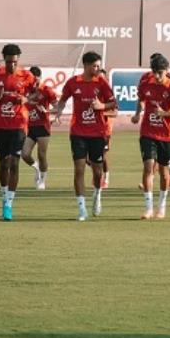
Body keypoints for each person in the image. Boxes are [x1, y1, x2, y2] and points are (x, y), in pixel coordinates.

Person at [55, 51, 117, 221]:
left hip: (98, 133)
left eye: (99, 66)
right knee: (79, 169)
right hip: (78, 133)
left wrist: (101, 105)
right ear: (86, 65)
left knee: (98, 172)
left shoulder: (102, 83)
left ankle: (97, 195)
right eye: (95, 66)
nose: (97, 69)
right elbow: (63, 100)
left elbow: (114, 103)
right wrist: (58, 111)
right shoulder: (73, 83)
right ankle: (82, 209)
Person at [0, 44, 37, 221]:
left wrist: (26, 98)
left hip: (19, 126)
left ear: (18, 60)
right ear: (4, 59)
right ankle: (4, 196)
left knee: (14, 162)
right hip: (0, 126)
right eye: (8, 61)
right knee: (4, 163)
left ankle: (9, 204)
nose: (12, 65)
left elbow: (37, 94)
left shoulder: (26, 76)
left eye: (15, 62)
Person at [132, 53, 170, 219]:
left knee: (164, 172)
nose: (157, 76)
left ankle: (161, 206)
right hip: (148, 132)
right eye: (154, 72)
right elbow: (141, 99)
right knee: (148, 167)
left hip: (166, 135)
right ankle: (148, 208)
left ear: (166, 71)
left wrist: (166, 113)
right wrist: (137, 114)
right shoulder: (146, 84)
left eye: (160, 73)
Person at [22, 66, 59, 190]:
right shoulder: (26, 90)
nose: (34, 83)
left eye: (36, 80)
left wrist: (47, 110)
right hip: (30, 126)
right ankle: (36, 168)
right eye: (32, 80)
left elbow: (58, 108)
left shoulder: (47, 90)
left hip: (43, 127)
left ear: (40, 78)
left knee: (41, 154)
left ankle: (42, 180)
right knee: (25, 154)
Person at [99, 68, 116, 189]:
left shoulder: (109, 94)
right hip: (91, 129)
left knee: (103, 155)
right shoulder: (92, 92)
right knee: (88, 158)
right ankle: (99, 172)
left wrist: (101, 113)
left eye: (102, 78)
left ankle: (106, 177)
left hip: (105, 130)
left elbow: (114, 113)